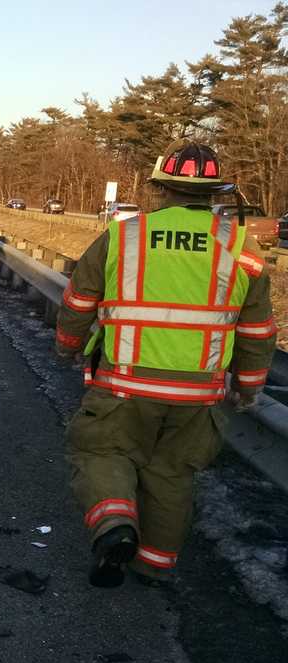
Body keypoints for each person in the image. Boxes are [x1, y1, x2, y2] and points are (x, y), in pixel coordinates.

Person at [55, 139, 276, 588]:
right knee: (172, 474)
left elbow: (79, 299)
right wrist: (249, 387)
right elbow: (258, 331)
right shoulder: (243, 248)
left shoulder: (123, 235)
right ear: (216, 192)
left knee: (102, 451)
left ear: (162, 188)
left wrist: (67, 344)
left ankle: (115, 524)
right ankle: (154, 565)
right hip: (199, 397)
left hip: (123, 386)